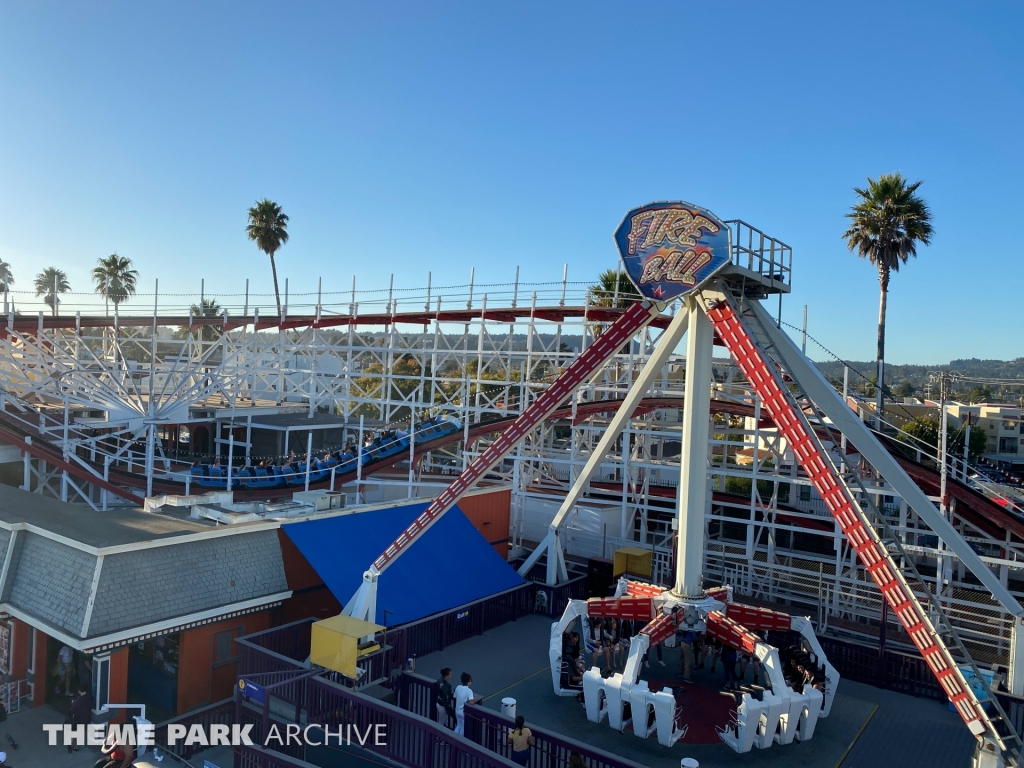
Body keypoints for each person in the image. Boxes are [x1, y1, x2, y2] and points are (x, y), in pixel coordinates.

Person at [68, 685, 93, 753]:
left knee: (77, 731)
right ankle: (74, 744)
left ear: (79, 691)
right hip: (87, 718)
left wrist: (73, 703)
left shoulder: (78, 700)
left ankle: (72, 744)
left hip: (78, 718)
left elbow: (72, 710)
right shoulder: (89, 697)